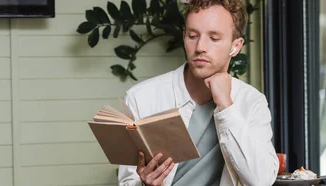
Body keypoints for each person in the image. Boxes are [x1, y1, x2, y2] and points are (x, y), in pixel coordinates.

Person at [117, 0, 279, 185]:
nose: (201, 47)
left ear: (235, 46)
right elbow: (127, 182)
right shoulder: (141, 98)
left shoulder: (252, 102)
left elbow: (262, 180)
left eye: (214, 38)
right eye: (193, 36)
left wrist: (226, 106)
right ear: (184, 37)